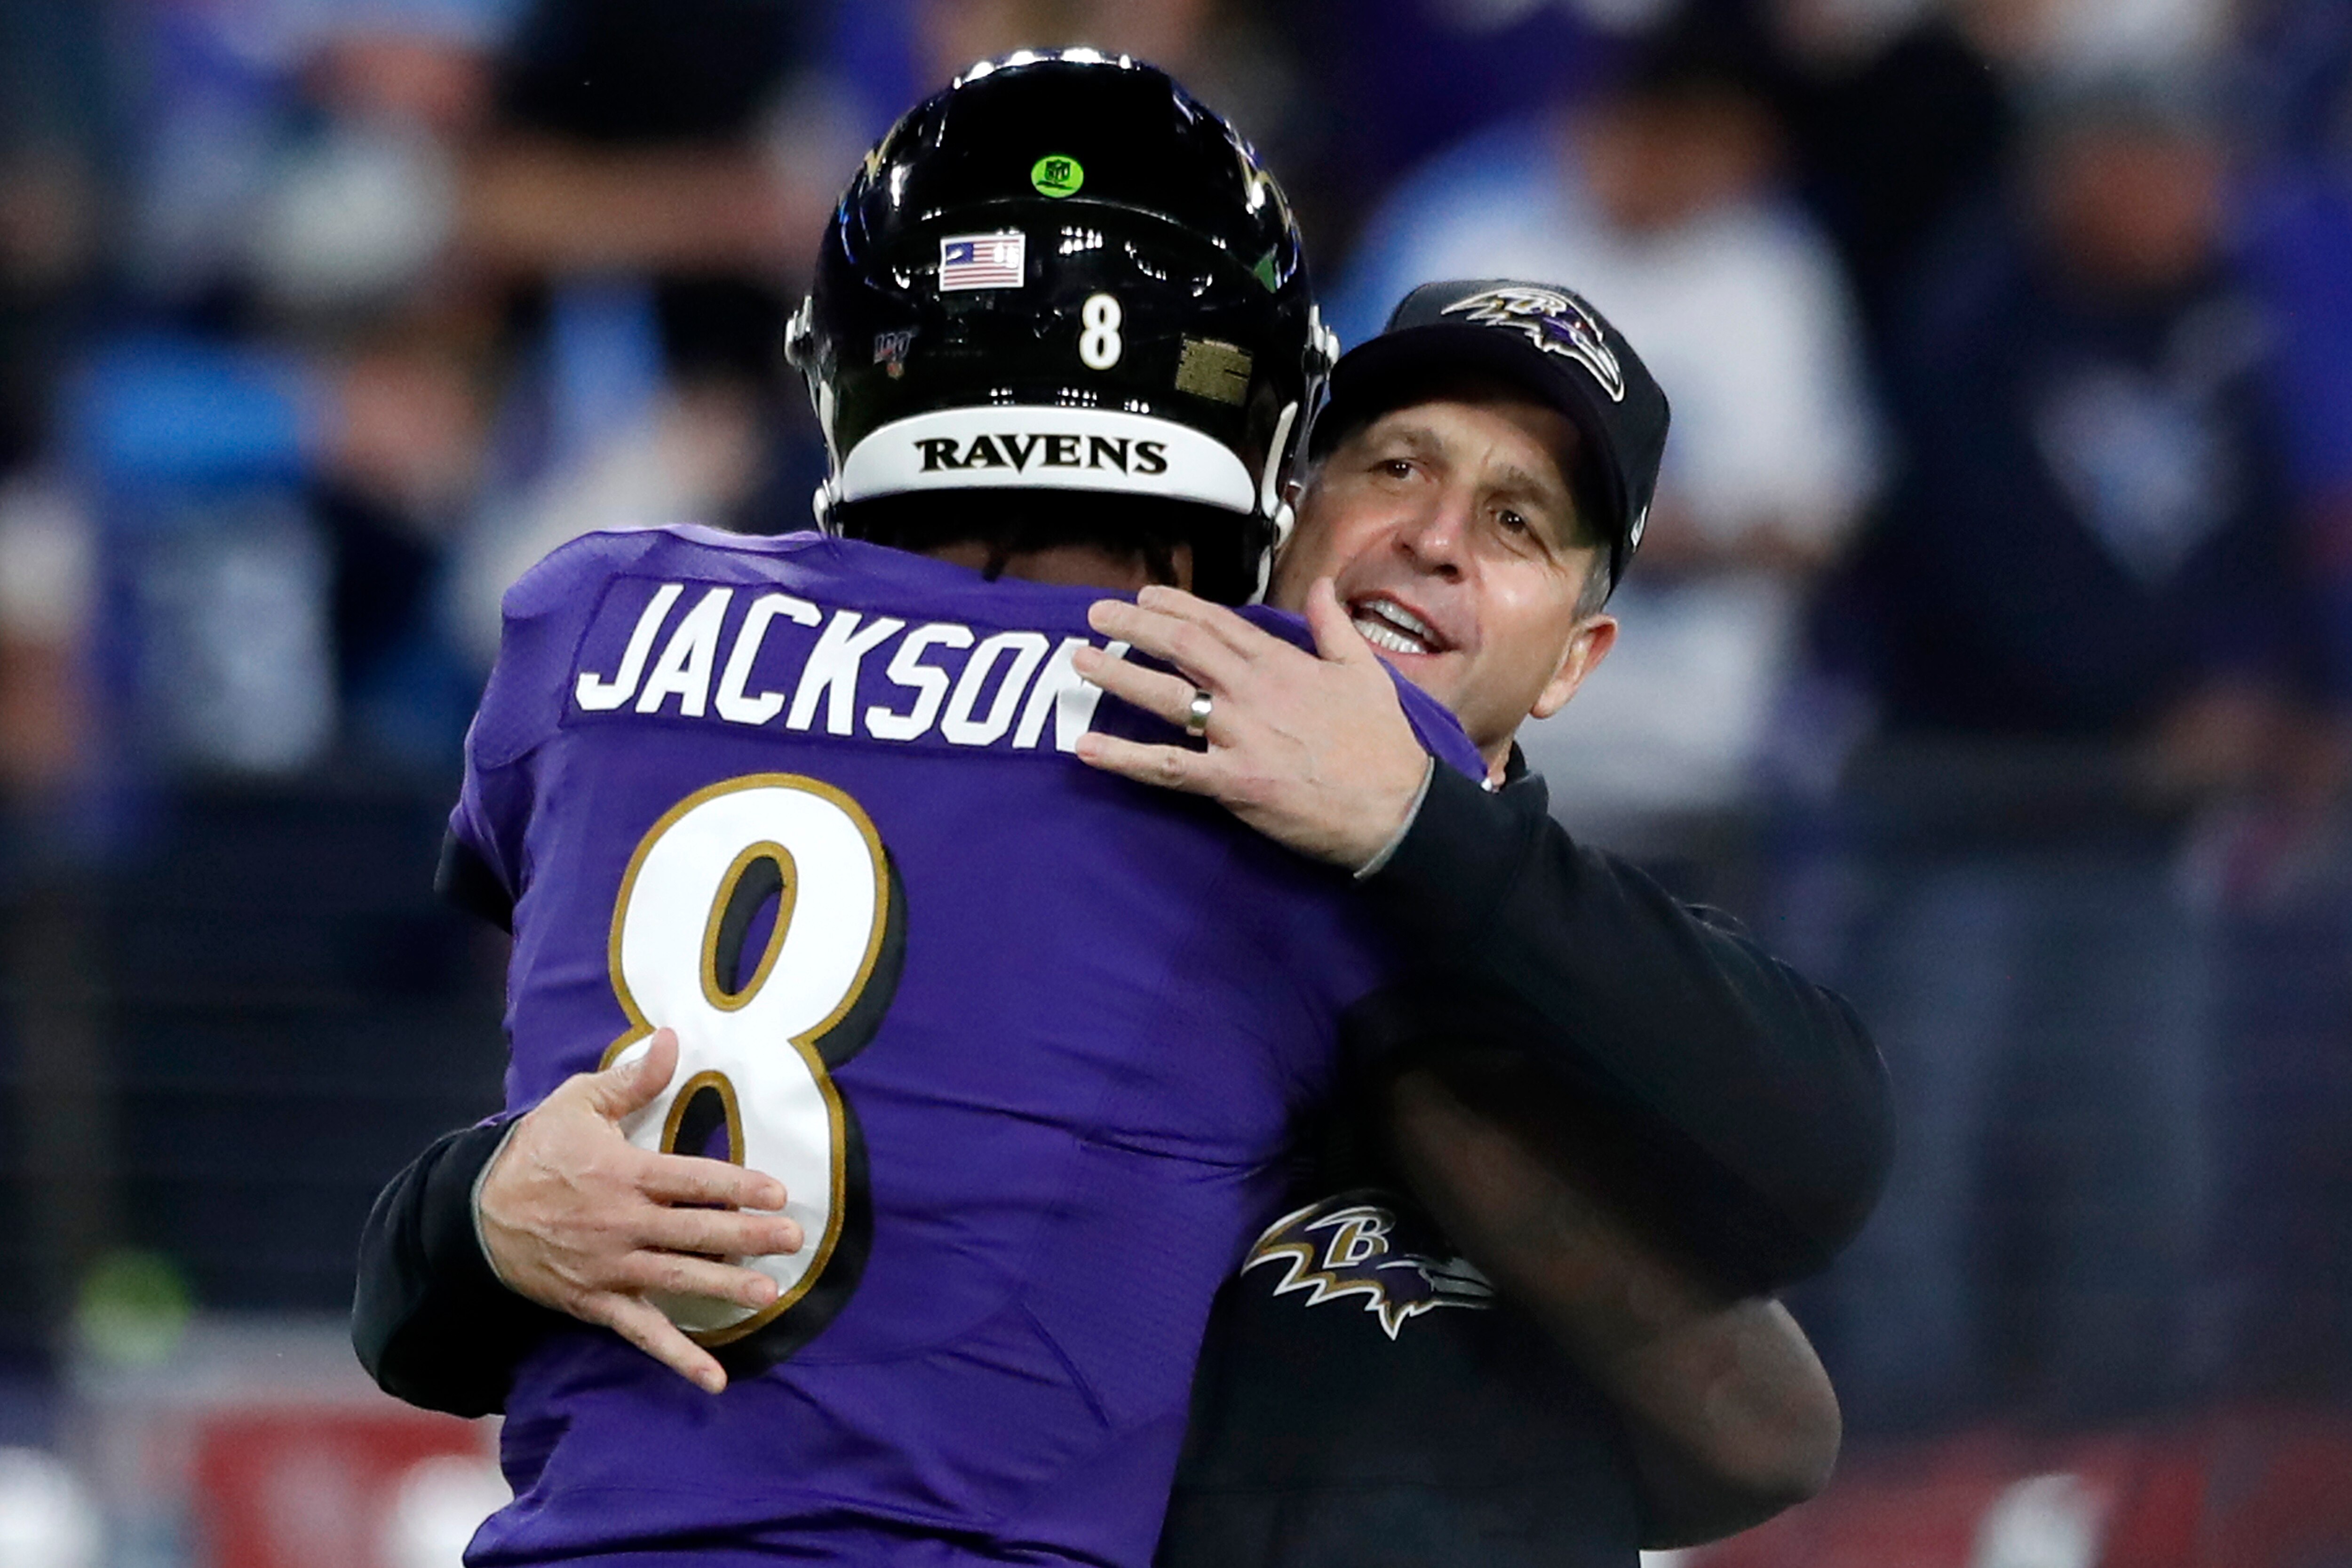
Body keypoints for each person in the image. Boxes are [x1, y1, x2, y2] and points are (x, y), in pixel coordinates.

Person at [358, 61, 1891, 1568]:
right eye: (1399, 467)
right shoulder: (1238, 778)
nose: (1433, 542)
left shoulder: (598, 612)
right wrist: (479, 1212)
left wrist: (1428, 829)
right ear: (1279, 471)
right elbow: (1770, 1372)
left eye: (1516, 525)